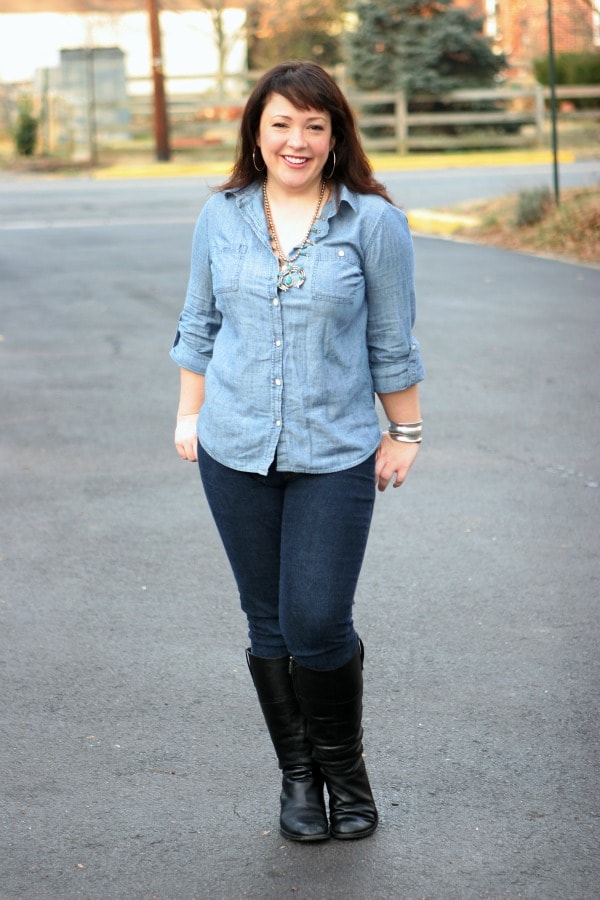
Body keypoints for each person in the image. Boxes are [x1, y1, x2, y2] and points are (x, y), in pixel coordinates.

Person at [171, 60, 425, 843]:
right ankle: (298, 778)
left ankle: (345, 771)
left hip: (335, 451)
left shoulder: (372, 224)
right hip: (233, 446)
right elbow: (199, 321)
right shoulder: (222, 215)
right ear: (256, 130)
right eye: (281, 122)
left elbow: (391, 338)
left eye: (315, 125)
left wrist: (405, 432)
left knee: (316, 620)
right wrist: (190, 414)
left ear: (336, 134)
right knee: (268, 622)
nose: (298, 139)